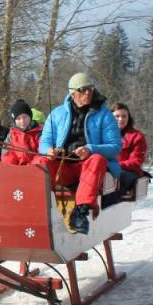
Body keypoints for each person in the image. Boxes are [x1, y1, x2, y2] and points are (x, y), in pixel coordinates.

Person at [31, 73, 121, 234]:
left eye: (90, 89)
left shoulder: (104, 115)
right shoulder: (57, 114)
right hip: (63, 167)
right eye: (83, 90)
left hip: (87, 168)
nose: (88, 93)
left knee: (97, 159)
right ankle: (37, 209)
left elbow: (115, 146)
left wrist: (91, 148)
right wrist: (49, 151)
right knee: (40, 161)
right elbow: (44, 143)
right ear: (73, 93)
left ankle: (80, 212)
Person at [102, 103, 147, 207]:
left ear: (128, 118)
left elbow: (136, 162)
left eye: (124, 116)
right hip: (104, 169)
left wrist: (114, 165)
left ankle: (107, 206)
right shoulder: (103, 134)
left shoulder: (137, 137)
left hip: (128, 171)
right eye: (117, 116)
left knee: (118, 178)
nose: (121, 119)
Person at [2, 99, 43, 166]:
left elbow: (42, 152)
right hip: (17, 169)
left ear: (30, 117)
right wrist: (12, 167)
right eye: (18, 118)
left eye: (25, 117)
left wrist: (32, 165)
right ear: (14, 121)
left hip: (35, 168)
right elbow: (7, 153)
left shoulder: (39, 131)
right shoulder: (12, 134)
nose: (22, 121)